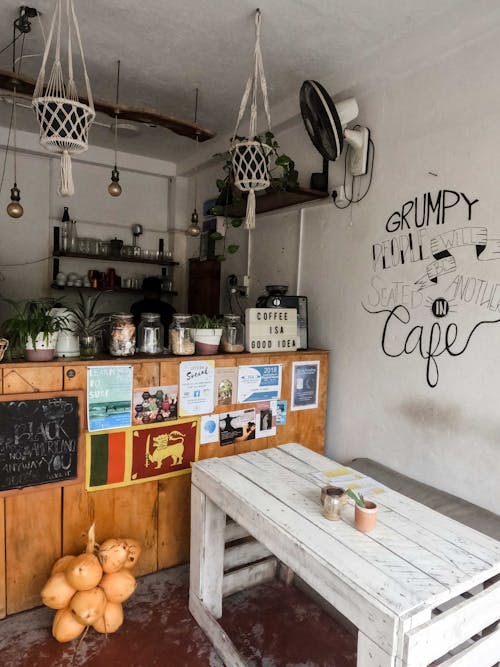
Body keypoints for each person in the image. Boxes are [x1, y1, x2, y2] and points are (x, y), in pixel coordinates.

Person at [130, 277, 176, 346]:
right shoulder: (169, 308)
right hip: (163, 349)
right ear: (160, 291)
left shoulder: (136, 307)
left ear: (143, 290)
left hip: (140, 348)